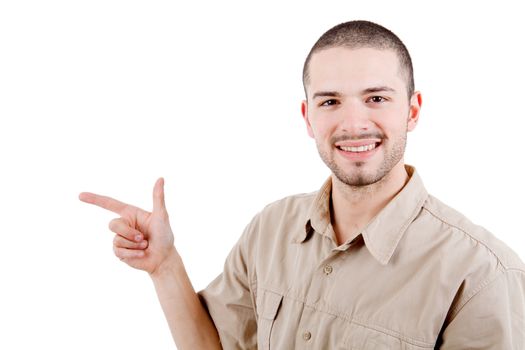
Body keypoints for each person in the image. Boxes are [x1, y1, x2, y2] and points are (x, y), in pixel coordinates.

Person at [79, 20, 525, 349]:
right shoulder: (271, 228)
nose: (353, 123)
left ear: (412, 110)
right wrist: (164, 266)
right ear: (308, 117)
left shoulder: (482, 275)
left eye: (376, 98)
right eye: (330, 101)